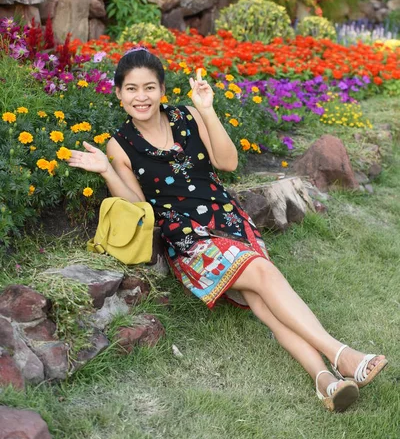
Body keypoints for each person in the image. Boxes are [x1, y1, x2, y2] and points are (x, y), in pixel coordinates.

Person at [68, 47, 387, 412]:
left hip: (230, 219)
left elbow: (228, 162)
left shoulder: (188, 116)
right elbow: (140, 207)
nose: (141, 97)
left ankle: (325, 381)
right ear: (118, 93)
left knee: (264, 302)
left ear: (162, 89)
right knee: (264, 275)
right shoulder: (120, 145)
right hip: (189, 238)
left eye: (149, 87)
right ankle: (342, 355)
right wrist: (107, 170)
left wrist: (207, 109)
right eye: (131, 89)